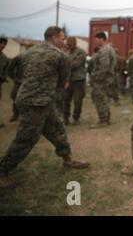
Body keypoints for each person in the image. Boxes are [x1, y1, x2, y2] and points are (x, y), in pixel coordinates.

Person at [0, 26, 90, 188]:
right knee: (26, 138)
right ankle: (3, 171)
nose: (64, 42)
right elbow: (63, 83)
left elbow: (12, 68)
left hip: (37, 100)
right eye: (62, 39)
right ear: (55, 38)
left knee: (57, 129)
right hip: (35, 103)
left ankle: (68, 159)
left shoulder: (29, 52)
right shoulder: (61, 56)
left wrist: (22, 82)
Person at [89, 32, 116, 127]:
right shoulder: (109, 49)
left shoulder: (104, 50)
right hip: (106, 79)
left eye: (96, 39)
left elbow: (104, 66)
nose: (95, 41)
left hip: (101, 80)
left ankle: (103, 120)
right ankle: (106, 118)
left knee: (100, 99)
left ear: (101, 39)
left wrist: (97, 78)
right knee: (104, 99)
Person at [63, 37, 87, 126]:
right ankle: (65, 118)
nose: (69, 46)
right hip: (68, 80)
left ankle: (76, 117)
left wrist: (65, 64)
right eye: (68, 44)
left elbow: (77, 64)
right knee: (66, 100)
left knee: (78, 101)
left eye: (70, 44)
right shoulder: (66, 52)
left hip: (78, 80)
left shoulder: (81, 52)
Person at [7, 50, 26, 122]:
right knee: (15, 97)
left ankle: (25, 116)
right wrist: (14, 78)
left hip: (30, 83)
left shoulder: (38, 58)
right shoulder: (20, 57)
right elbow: (10, 68)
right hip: (19, 82)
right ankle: (16, 114)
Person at [0, 36, 9, 128]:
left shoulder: (4, 58)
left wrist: (3, 78)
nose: (2, 46)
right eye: (1, 43)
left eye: (4, 44)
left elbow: (5, 72)